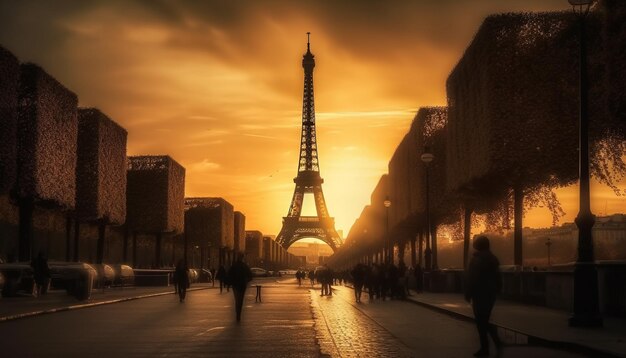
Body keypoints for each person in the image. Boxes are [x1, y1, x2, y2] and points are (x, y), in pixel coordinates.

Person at [465, 235, 502, 357]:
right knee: (484, 319)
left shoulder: (477, 260)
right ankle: (494, 342)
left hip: (479, 293)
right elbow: (498, 277)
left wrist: (468, 293)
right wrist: (498, 289)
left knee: (480, 321)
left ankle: (486, 347)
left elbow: (472, 278)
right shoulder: (493, 259)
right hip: (490, 293)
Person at [228, 253, 252, 322]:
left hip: (235, 285)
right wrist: (246, 281)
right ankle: (239, 315)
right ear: (242, 258)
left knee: (237, 300)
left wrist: (231, 282)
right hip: (242, 285)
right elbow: (250, 276)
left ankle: (237, 314)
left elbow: (229, 274)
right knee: (240, 300)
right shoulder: (244, 266)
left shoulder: (234, 265)